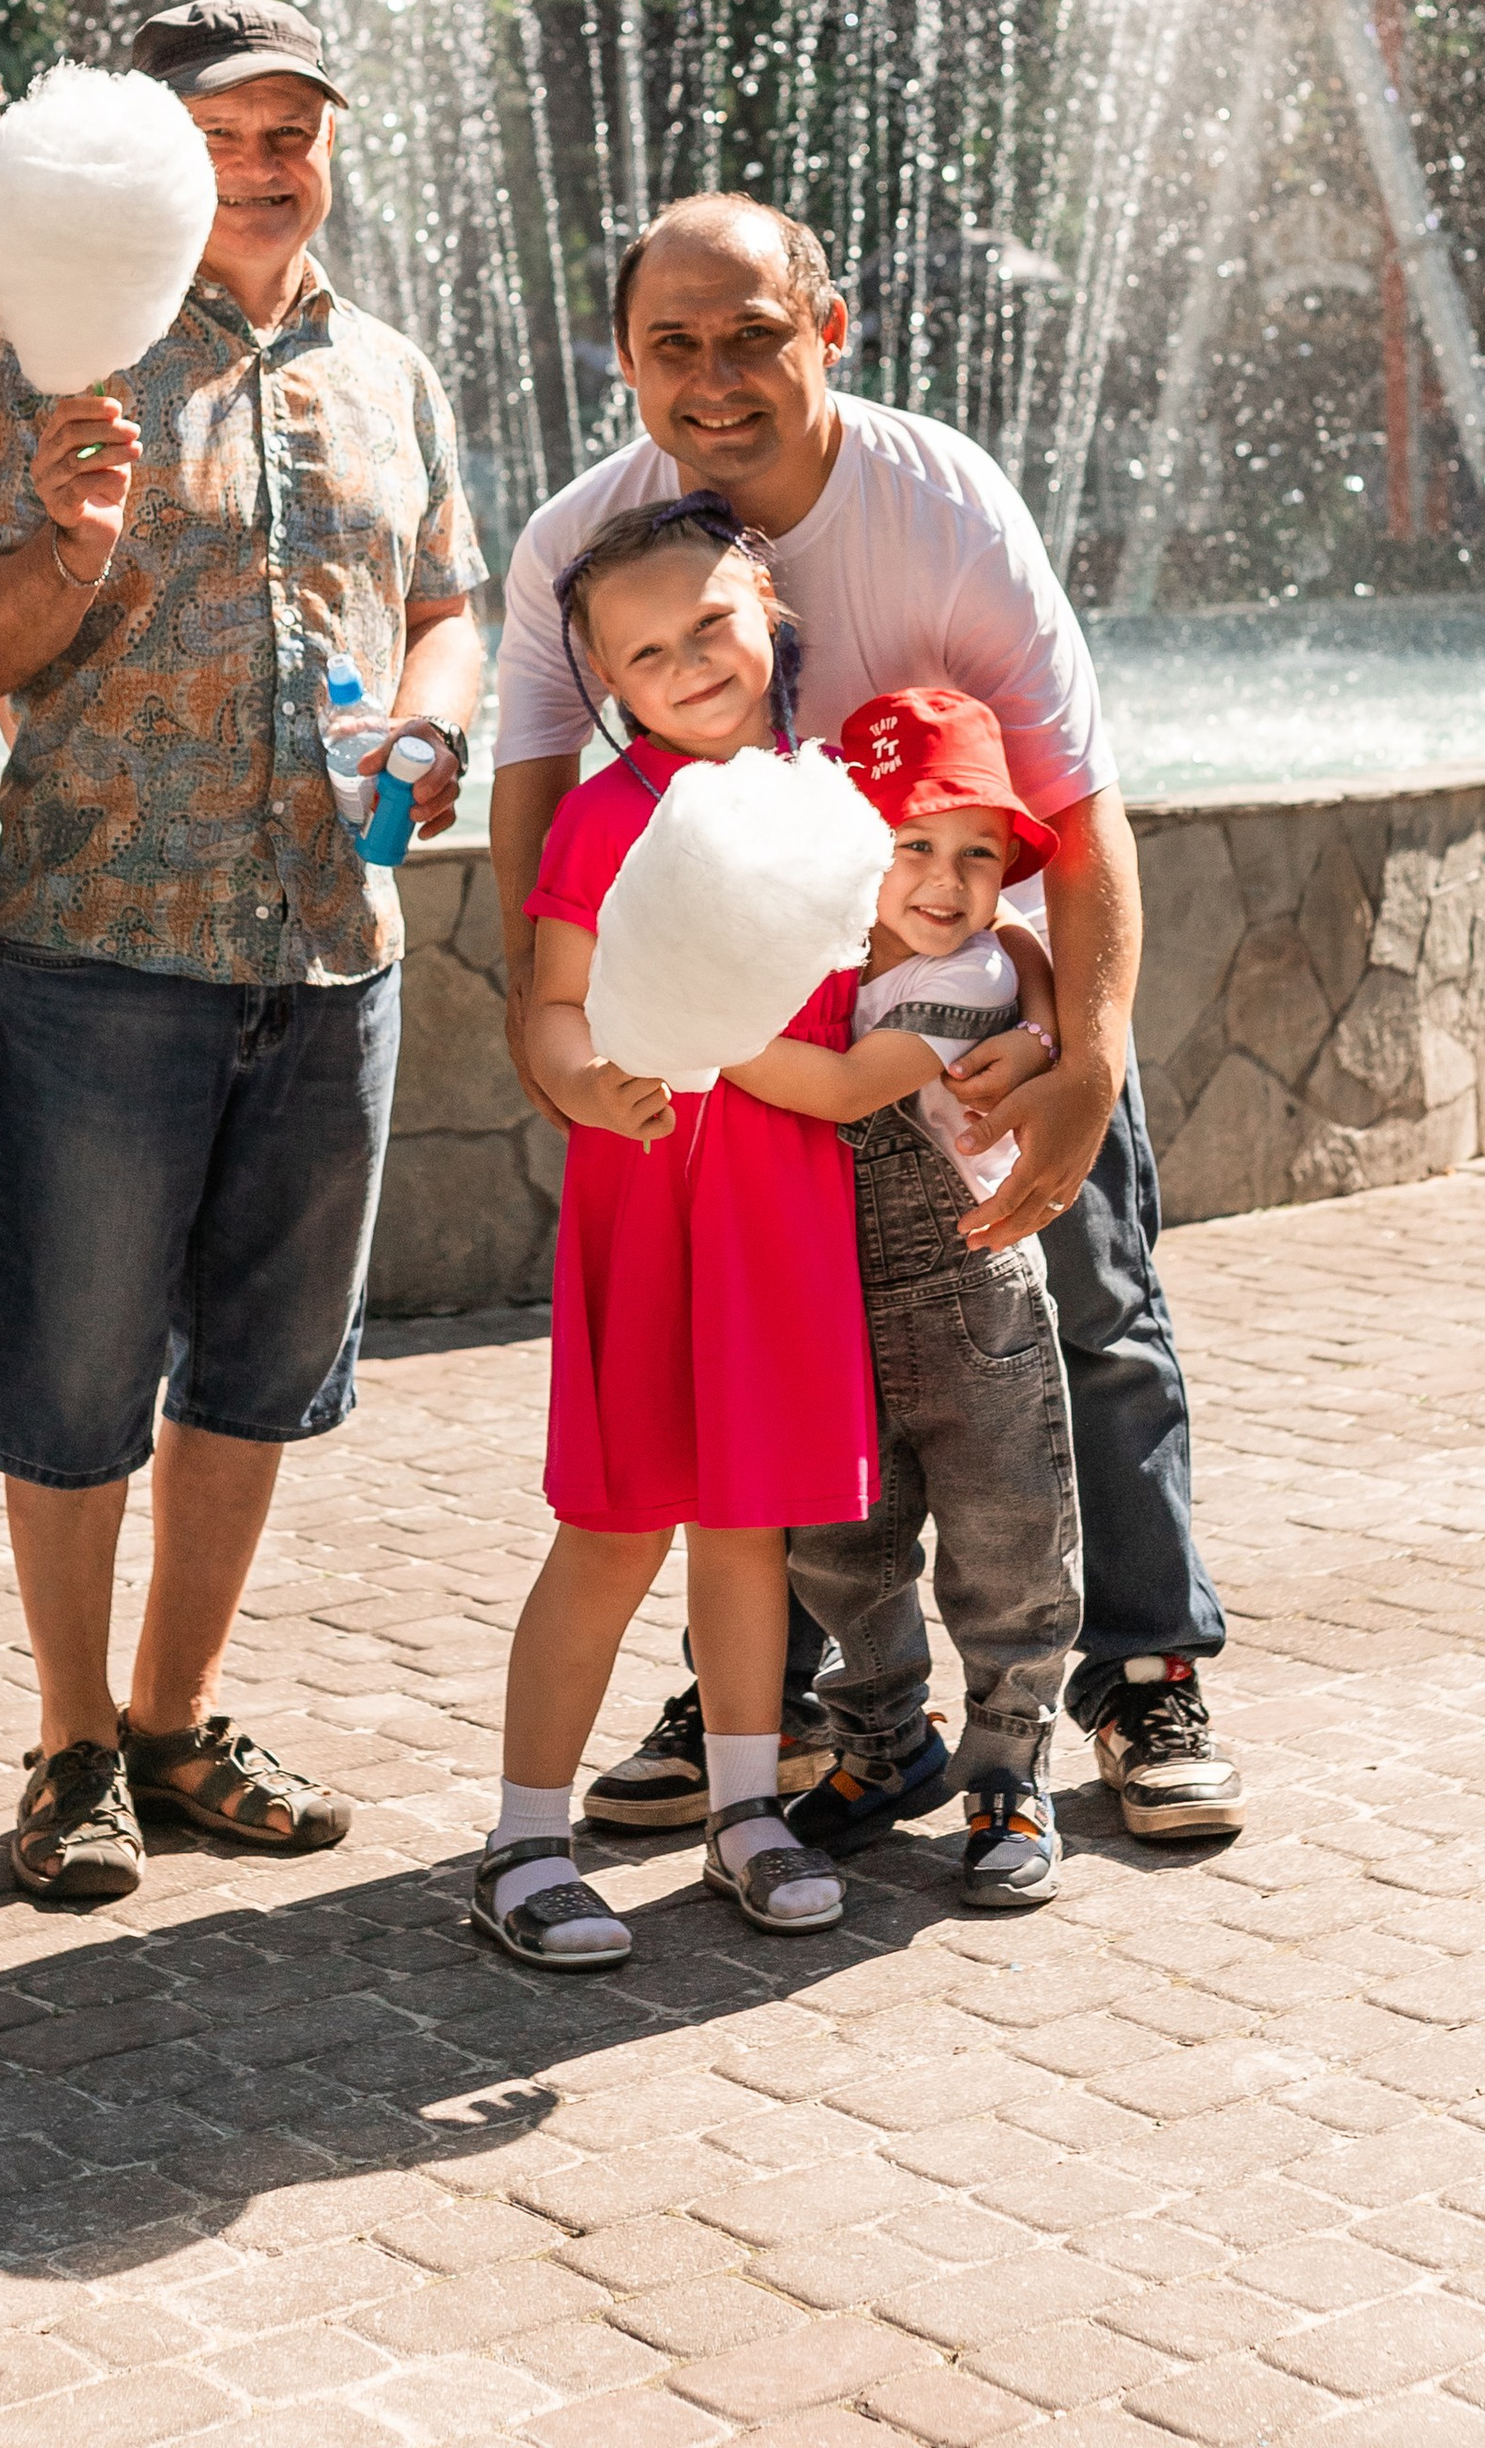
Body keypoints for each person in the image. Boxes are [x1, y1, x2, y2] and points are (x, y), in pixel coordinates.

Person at [490, 191, 1242, 1849]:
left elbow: (1081, 804)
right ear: (622, 359)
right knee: (770, 1376)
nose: (714, 375)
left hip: (974, 1014)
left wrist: (1088, 1059)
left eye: (753, 333)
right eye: (671, 342)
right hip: (754, 1076)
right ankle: (775, 1701)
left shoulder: (941, 500)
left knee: (1090, 1319)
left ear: (827, 329)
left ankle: (1147, 1667)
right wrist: (568, 1061)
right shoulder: (579, 543)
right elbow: (537, 817)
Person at [0, 0, 487, 1906]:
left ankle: (177, 1724)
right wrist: (78, 540)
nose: (271, 166)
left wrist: (435, 717)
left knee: (262, 1371)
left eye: (296, 132)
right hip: (103, 947)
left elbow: (451, 603)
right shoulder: (46, 360)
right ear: (157, 159)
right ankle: (72, 1741)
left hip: (332, 953)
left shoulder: (393, 372)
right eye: (231, 134)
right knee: (78, 1373)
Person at [480, 498, 1070, 1966]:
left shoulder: (833, 806)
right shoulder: (607, 816)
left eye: (712, 625)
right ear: (606, 681)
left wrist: (1049, 1014)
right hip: (654, 1202)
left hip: (783, 1217)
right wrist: (585, 1082)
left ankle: (746, 1809)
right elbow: (551, 1004)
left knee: (753, 1532)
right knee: (613, 1533)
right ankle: (523, 1837)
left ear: (772, 619)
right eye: (645, 650)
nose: (688, 662)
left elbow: (961, 933)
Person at [784, 685, 1084, 1909]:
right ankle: (882, 1741)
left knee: (1006, 1541)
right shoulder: (831, 948)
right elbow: (1030, 946)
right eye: (913, 843)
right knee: (841, 1546)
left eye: (979, 854)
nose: (949, 880)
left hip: (973, 1301)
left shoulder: (962, 981)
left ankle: (1010, 1769)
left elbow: (850, 1090)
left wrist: (687, 1033)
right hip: (834, 1299)